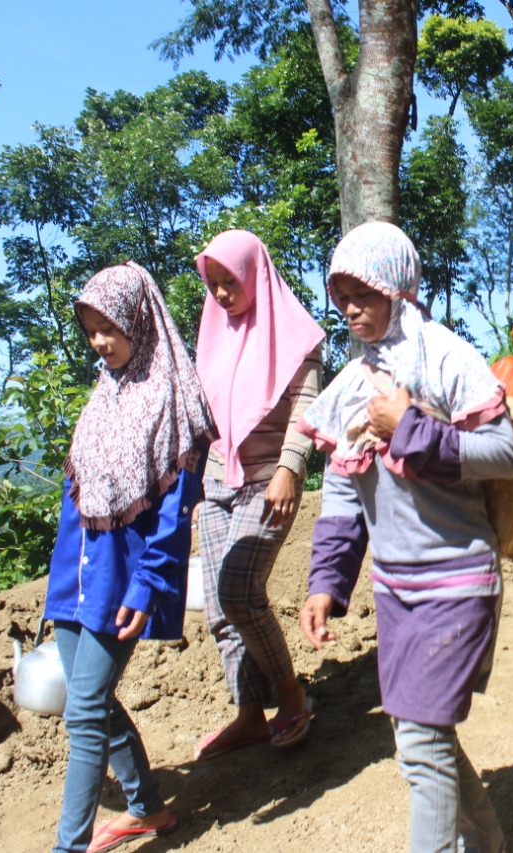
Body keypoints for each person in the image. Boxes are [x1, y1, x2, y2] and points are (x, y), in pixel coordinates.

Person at [296, 221, 513, 853]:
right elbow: (343, 490)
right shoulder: (353, 383)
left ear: (397, 286)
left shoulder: (447, 357)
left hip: (456, 580)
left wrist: (410, 427)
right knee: (426, 740)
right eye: (339, 293)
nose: (349, 307)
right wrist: (325, 582)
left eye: (361, 291)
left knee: (420, 746)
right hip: (396, 590)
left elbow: (504, 454)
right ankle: (488, 843)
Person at [44, 261, 217, 853]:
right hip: (77, 571)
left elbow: (173, 516)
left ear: (139, 321)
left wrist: (147, 587)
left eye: (109, 327)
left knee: (84, 713)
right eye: (91, 330)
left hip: (122, 580)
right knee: (89, 699)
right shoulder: (105, 394)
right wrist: (62, 579)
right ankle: (145, 807)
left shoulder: (172, 400)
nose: (100, 341)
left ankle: (67, 847)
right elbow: (81, 496)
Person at [193, 230, 326, 759]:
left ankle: (292, 695)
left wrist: (291, 468)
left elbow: (306, 405)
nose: (222, 294)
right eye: (214, 284)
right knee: (218, 611)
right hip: (215, 482)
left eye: (231, 281)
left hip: (268, 481)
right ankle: (248, 713)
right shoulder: (212, 334)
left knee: (240, 591)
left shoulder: (296, 333)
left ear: (255, 273)